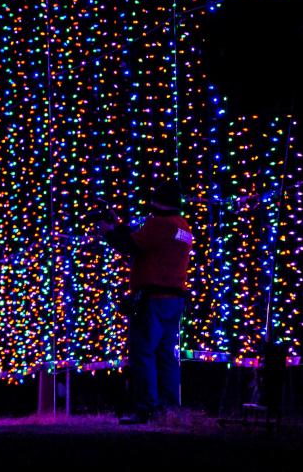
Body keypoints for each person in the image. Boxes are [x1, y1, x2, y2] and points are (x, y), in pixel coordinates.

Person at [98, 180, 193, 424]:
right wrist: (119, 225)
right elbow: (144, 241)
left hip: (152, 298)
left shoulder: (159, 224)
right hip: (174, 299)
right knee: (166, 355)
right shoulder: (182, 226)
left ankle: (147, 409)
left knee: (143, 353)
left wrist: (108, 231)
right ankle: (170, 409)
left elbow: (131, 245)